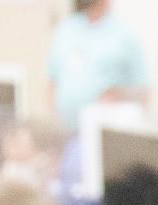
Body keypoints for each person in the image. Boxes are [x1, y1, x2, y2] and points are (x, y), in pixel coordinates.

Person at [46, 0, 148, 130]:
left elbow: (144, 93)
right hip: (65, 133)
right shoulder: (65, 29)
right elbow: (52, 81)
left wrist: (121, 94)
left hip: (106, 134)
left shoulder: (125, 35)